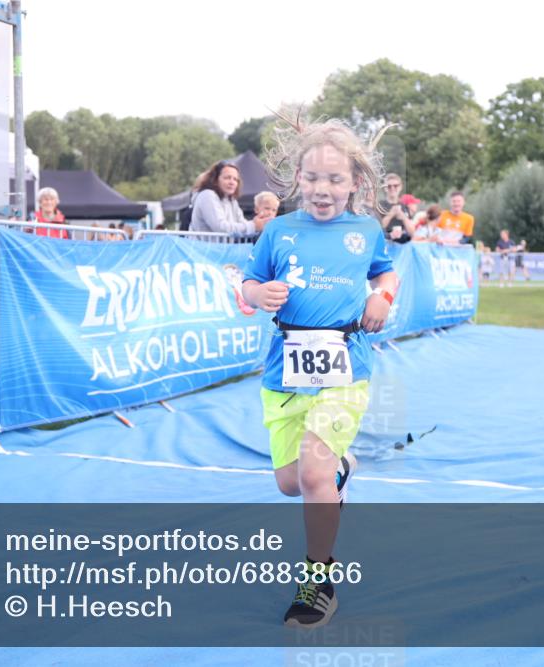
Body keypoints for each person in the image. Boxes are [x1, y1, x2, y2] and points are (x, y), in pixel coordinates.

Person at [242, 115, 397, 629]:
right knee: (291, 483)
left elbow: (386, 270)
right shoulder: (279, 231)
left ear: (355, 182)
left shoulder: (366, 231)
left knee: (312, 473)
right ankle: (341, 472)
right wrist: (256, 295)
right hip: (283, 374)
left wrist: (383, 296)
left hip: (345, 368)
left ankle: (318, 583)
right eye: (312, 178)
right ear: (296, 179)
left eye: (334, 179)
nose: (322, 188)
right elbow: (247, 284)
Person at [189, 160, 267, 236]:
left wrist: (259, 223)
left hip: (221, 248)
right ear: (215, 179)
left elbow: (242, 223)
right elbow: (219, 227)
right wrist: (253, 226)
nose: (232, 182)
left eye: (235, 179)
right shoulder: (207, 195)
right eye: (227, 178)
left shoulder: (231, 200)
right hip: (203, 248)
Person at [378, 173, 414, 243]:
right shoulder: (379, 206)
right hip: (385, 244)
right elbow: (377, 228)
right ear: (385, 188)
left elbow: (412, 232)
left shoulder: (405, 207)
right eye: (389, 186)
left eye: (395, 186)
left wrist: (403, 217)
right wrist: (391, 214)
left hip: (401, 248)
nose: (392, 188)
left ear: (400, 187)